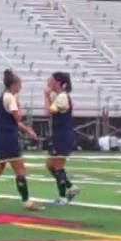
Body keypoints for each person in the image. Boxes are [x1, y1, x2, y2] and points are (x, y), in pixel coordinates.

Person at [0, 70, 42, 211]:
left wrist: (27, 130)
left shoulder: (3, 97)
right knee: (19, 169)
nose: (21, 87)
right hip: (8, 137)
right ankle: (26, 201)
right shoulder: (10, 98)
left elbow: (12, 121)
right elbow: (17, 118)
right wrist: (19, 106)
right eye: (19, 85)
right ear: (14, 85)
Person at [43, 72, 80, 205]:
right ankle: (71, 187)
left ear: (58, 82)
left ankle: (62, 197)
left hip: (62, 136)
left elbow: (48, 111)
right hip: (58, 135)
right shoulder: (59, 96)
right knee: (50, 165)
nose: (48, 82)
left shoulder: (62, 97)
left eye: (51, 80)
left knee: (58, 166)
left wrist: (46, 95)